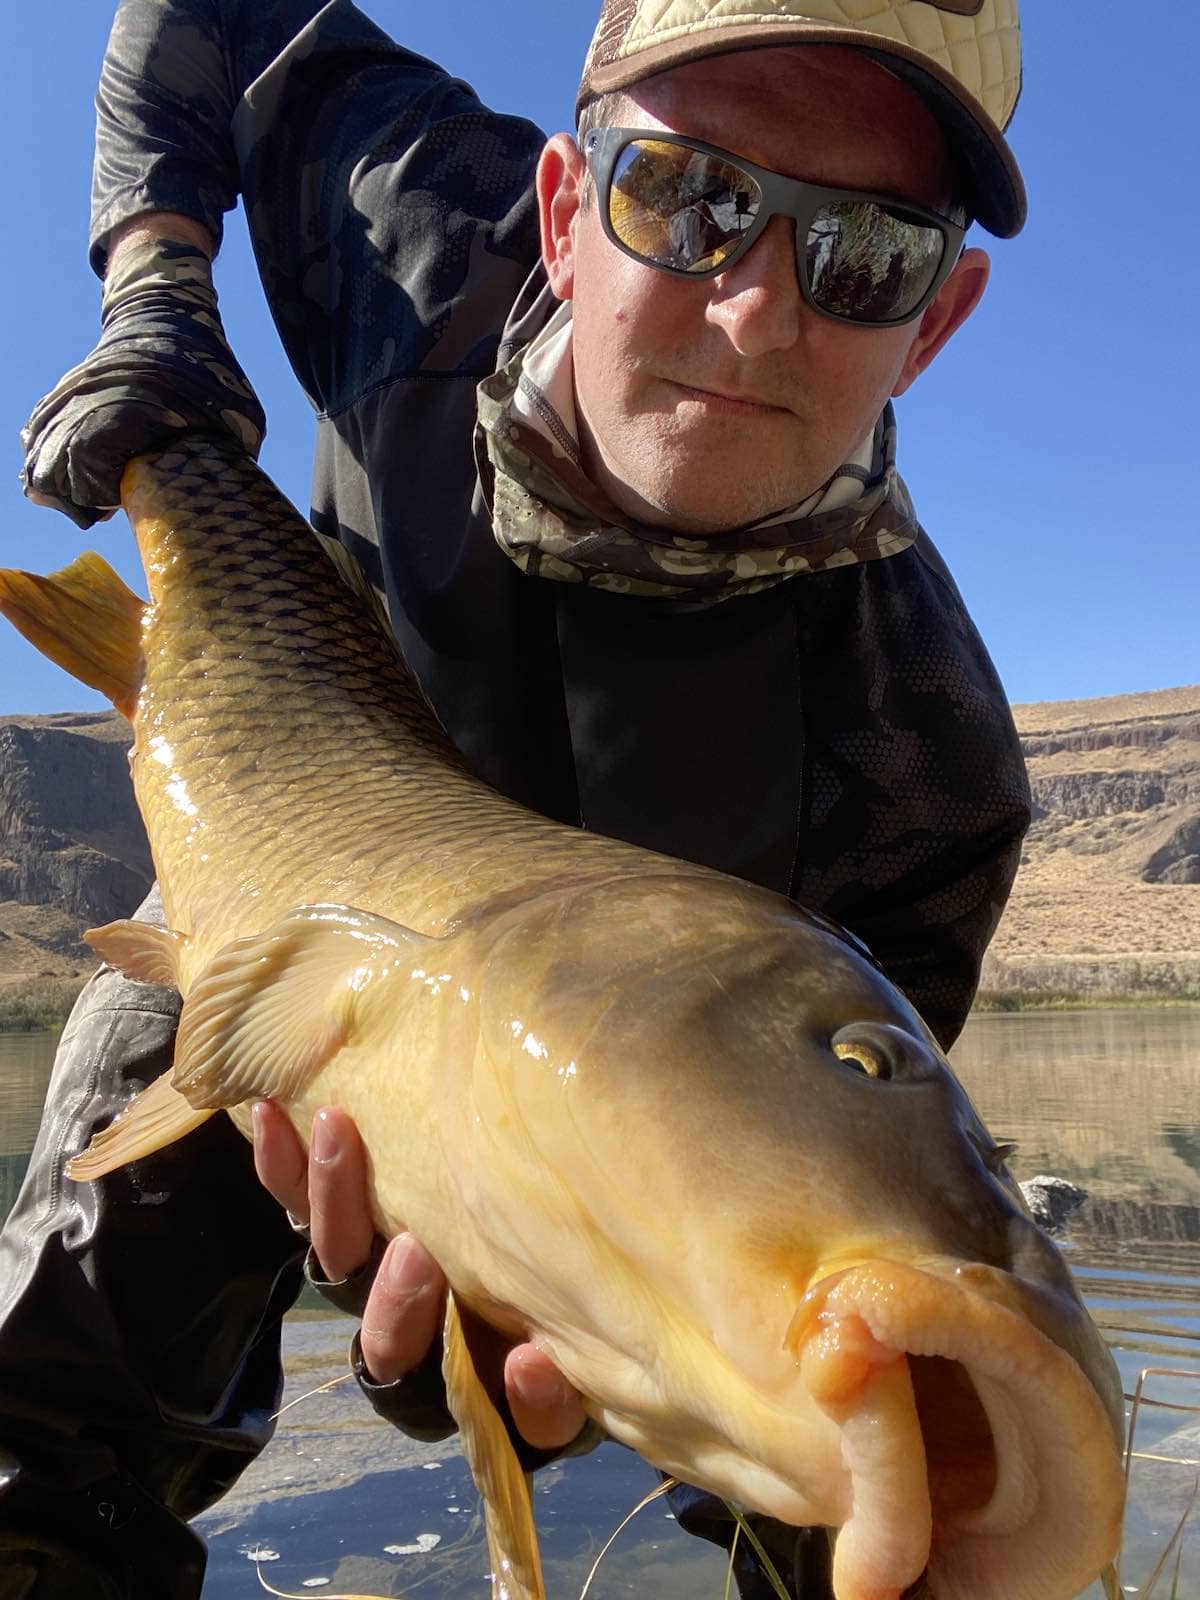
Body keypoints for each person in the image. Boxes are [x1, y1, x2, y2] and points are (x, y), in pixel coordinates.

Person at [2, 1, 1032, 1595]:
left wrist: (515, 1317)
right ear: (564, 208)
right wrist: (155, 290)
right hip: (277, 874)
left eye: (867, 255)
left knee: (869, 1458)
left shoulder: (929, 766)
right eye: (690, 199)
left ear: (939, 322)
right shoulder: (421, 224)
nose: (758, 310)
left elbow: (808, 1170)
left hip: (615, 1045)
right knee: (42, 1403)